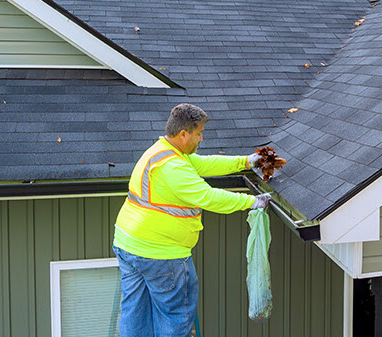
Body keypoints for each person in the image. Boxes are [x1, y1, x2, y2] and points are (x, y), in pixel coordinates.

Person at [112, 103, 282, 337]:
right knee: (174, 316)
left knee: (135, 313)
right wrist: (252, 202)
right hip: (161, 255)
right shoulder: (173, 168)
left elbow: (204, 164)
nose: (201, 138)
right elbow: (208, 197)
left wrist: (246, 161)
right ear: (184, 134)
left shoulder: (162, 151)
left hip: (127, 244)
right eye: (199, 133)